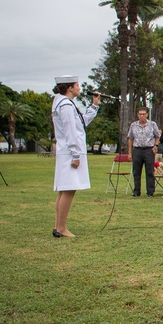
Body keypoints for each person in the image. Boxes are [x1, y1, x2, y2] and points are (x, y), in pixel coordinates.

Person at [51, 76, 100, 237]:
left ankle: (58, 226)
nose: (79, 88)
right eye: (77, 85)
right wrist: (75, 154)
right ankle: (61, 228)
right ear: (70, 88)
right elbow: (70, 131)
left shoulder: (64, 103)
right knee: (69, 188)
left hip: (67, 151)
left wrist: (94, 106)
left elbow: (81, 123)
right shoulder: (65, 105)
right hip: (69, 152)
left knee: (65, 189)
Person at [127, 107, 160, 198]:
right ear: (138, 115)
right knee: (136, 171)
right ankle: (136, 191)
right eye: (140, 114)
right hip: (137, 149)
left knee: (149, 171)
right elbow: (130, 138)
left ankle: (150, 192)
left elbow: (157, 136)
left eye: (144, 114)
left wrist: (155, 146)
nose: (142, 116)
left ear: (147, 115)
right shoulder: (133, 125)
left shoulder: (152, 124)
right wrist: (130, 153)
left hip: (149, 149)